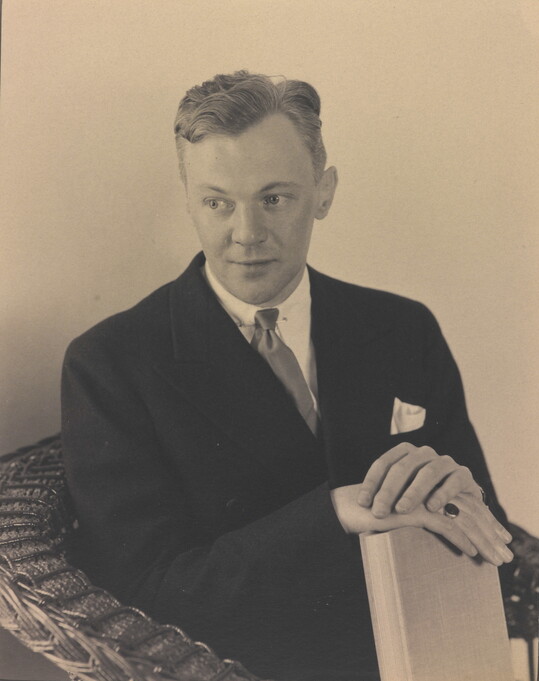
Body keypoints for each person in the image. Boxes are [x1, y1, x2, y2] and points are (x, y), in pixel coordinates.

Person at [61, 71, 513, 681]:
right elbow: (138, 601)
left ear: (324, 193)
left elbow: (492, 537)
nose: (246, 234)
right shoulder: (109, 364)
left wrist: (459, 498)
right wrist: (334, 514)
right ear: (188, 197)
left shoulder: (404, 328)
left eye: (274, 199)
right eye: (218, 202)